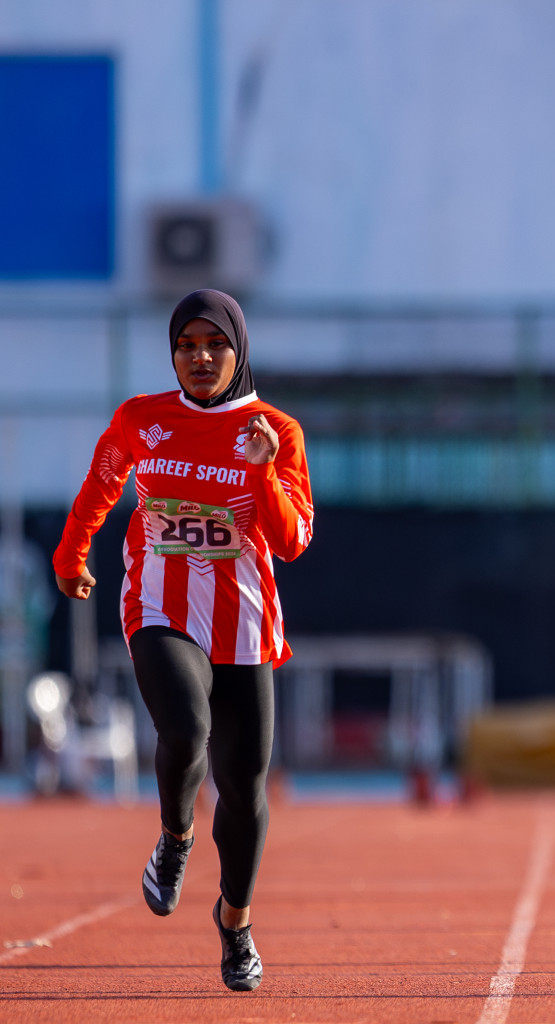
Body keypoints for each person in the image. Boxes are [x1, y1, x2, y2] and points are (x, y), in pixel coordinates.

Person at [53, 289, 314, 990]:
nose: (200, 358)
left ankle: (236, 923)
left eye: (214, 345)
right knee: (185, 725)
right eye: (186, 346)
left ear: (239, 350)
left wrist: (261, 471)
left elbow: (291, 542)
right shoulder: (143, 419)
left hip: (244, 622)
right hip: (158, 605)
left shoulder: (275, 430)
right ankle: (174, 839)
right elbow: (100, 487)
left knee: (245, 786)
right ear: (172, 353)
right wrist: (71, 555)